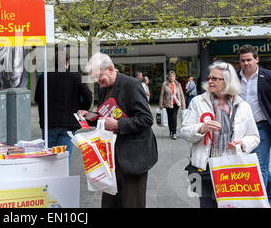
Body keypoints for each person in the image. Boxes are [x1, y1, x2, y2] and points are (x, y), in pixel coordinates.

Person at [78, 53, 157, 208]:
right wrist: (89, 116)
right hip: (111, 158)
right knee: (110, 202)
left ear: (111, 68)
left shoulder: (131, 85)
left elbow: (147, 119)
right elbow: (103, 116)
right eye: (94, 78)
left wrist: (118, 125)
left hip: (133, 157)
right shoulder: (103, 88)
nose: (97, 81)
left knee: (131, 202)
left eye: (99, 76)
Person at [181, 61, 260, 208]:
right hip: (203, 167)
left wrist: (242, 144)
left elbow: (254, 137)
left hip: (231, 169)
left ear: (228, 81)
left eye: (215, 78)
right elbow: (184, 131)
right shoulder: (198, 102)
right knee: (205, 204)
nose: (210, 81)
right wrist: (201, 128)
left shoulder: (243, 106)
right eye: (209, 77)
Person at [34, 50, 92, 165]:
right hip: (68, 125)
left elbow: (37, 99)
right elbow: (88, 96)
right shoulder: (75, 77)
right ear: (67, 63)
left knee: (48, 160)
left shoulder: (43, 77)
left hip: (48, 124)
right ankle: (62, 182)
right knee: (64, 161)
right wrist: (82, 109)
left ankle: (49, 182)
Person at [238, 44, 271, 203]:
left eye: (249, 59)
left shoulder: (268, 76)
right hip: (241, 129)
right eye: (243, 60)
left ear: (257, 59)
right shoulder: (235, 78)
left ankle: (259, 202)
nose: (246, 63)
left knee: (260, 165)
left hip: (262, 126)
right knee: (245, 163)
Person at [159, 70, 186, 140]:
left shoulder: (178, 84)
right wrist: (161, 104)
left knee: (174, 118)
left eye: (173, 76)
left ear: (175, 77)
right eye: (170, 76)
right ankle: (171, 130)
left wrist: (183, 104)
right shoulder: (165, 84)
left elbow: (181, 95)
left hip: (176, 104)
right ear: (168, 77)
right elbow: (162, 95)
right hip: (168, 104)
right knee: (170, 119)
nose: (171, 78)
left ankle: (174, 133)